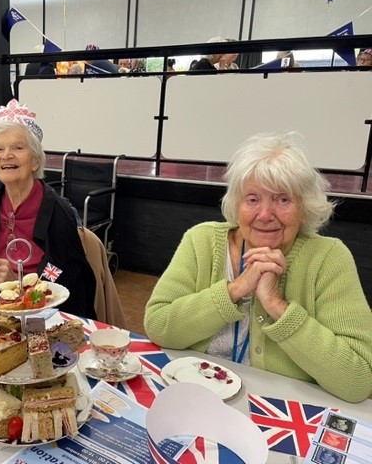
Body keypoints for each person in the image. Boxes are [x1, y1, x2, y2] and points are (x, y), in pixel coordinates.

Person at [144, 132, 372, 403]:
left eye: (283, 199)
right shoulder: (201, 240)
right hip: (197, 392)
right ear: (237, 204)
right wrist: (236, 289)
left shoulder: (328, 257)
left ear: (305, 208)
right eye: (252, 199)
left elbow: (358, 380)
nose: (265, 215)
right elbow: (158, 325)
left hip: (282, 409)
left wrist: (277, 305)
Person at [0, 100, 96, 319]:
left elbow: (63, 272)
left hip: (39, 313)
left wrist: (19, 283)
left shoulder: (57, 212)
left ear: (35, 161)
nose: (6, 155)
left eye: (18, 148)